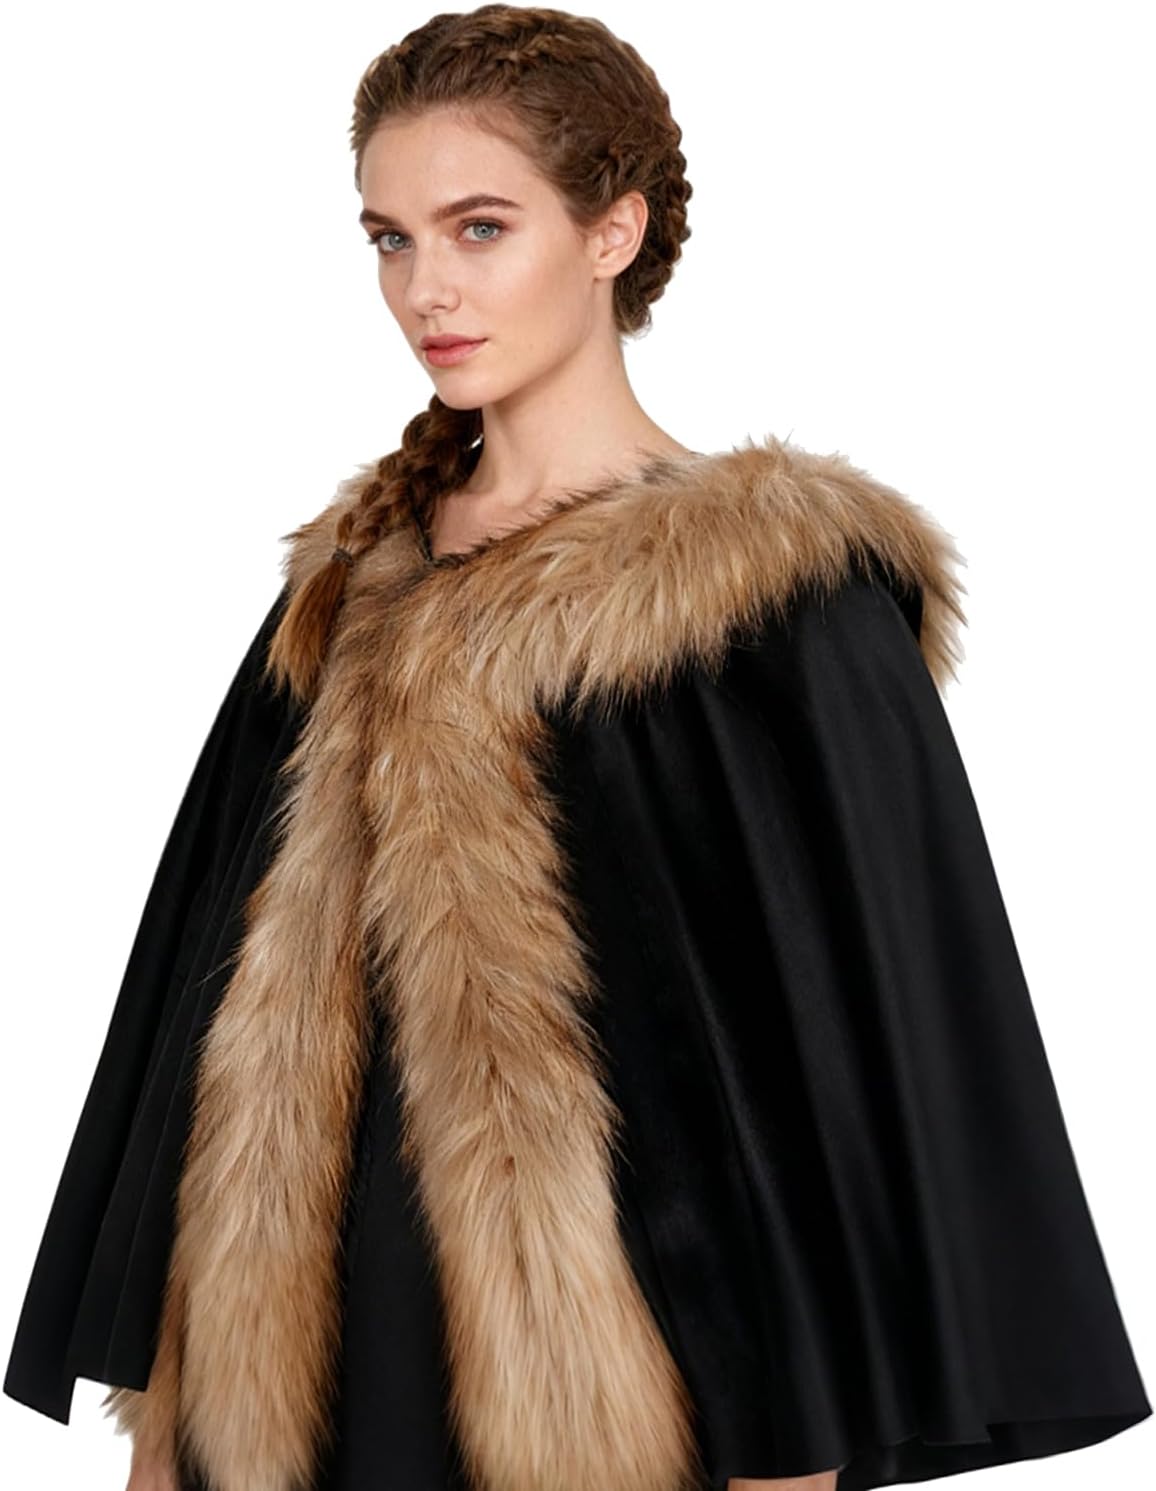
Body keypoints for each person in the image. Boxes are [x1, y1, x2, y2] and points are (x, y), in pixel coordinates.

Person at [4, 7, 1151, 1491]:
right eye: (391, 239)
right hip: (300, 1397)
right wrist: (168, 1440)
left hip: (614, 1414)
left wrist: (793, 1465)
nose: (426, 288)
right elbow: (196, 1032)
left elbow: (827, 1093)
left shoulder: (766, 604)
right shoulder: (351, 585)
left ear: (615, 231)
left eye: (480, 228)